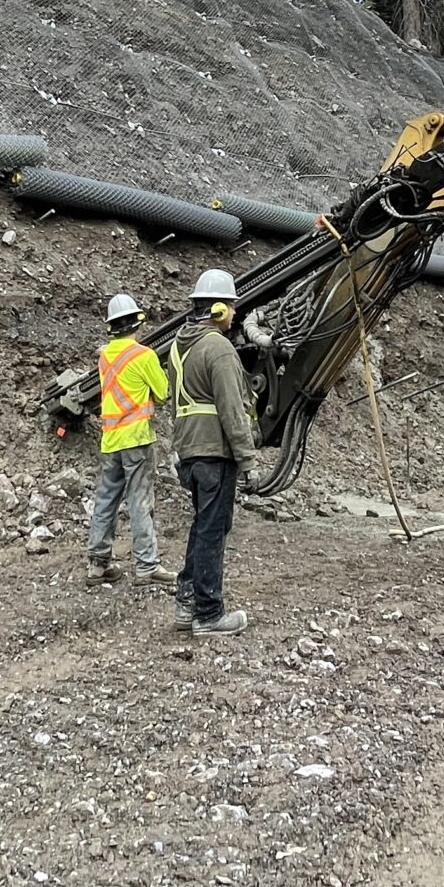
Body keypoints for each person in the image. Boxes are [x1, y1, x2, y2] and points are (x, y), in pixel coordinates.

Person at [168, 266, 257, 635]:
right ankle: (208, 612)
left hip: (188, 450)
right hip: (213, 451)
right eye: (232, 306)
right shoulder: (218, 347)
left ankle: (186, 602)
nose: (235, 313)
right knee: (212, 529)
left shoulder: (179, 345)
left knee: (204, 525)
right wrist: (248, 459)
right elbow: (232, 409)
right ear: (218, 309)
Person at [86, 291, 169, 586]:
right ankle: (147, 565)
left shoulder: (105, 356)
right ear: (137, 321)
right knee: (140, 500)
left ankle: (98, 564)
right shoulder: (144, 355)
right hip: (136, 439)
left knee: (106, 499)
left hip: (110, 440)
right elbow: (163, 392)